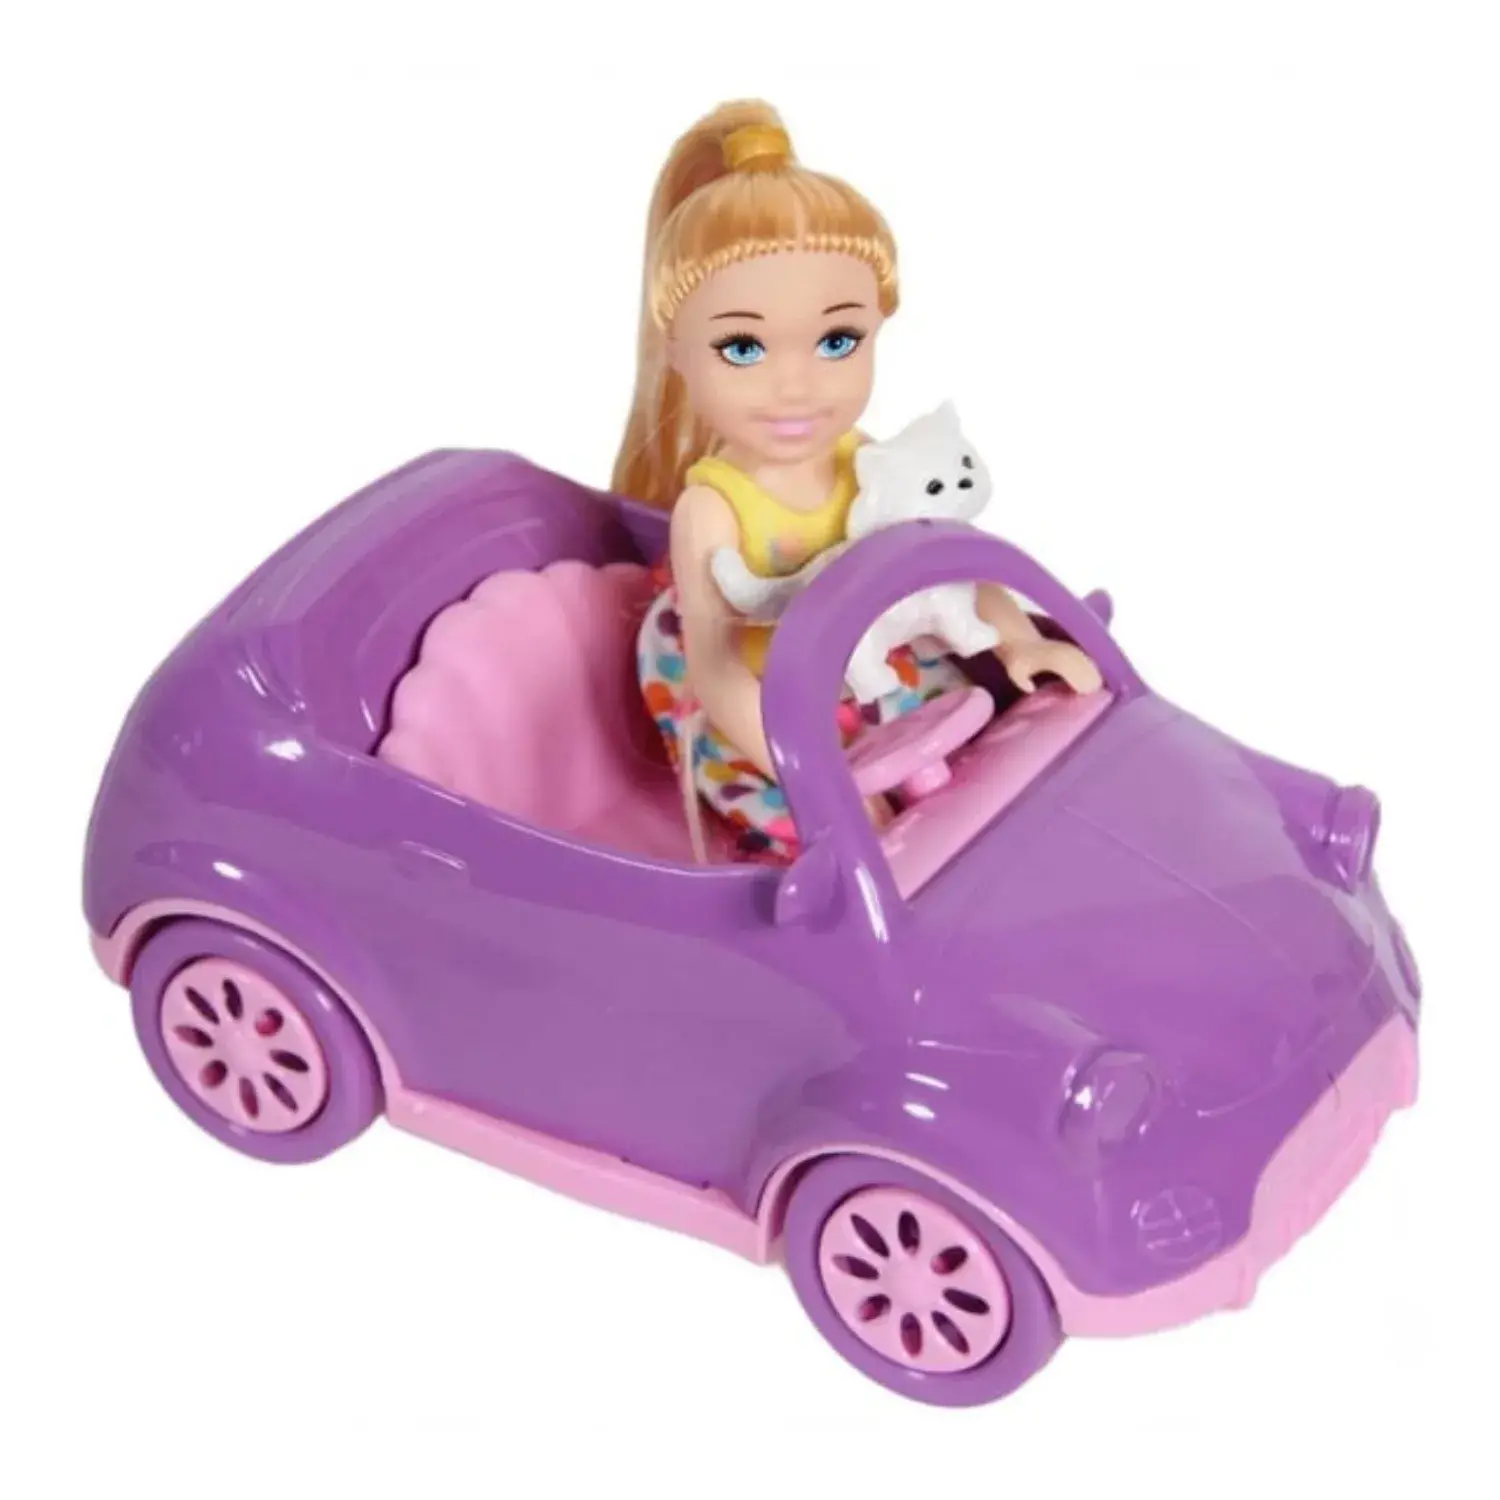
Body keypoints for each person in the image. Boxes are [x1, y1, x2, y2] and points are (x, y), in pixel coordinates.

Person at [614, 101, 1100, 862]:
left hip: (887, 674)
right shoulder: (712, 511)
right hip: (771, 718)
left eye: (837, 341)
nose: (796, 386)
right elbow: (717, 671)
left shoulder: (867, 458)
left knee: (1003, 786)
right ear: (677, 351)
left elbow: (946, 563)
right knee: (840, 853)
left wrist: (1018, 642)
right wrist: (818, 777)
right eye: (743, 348)